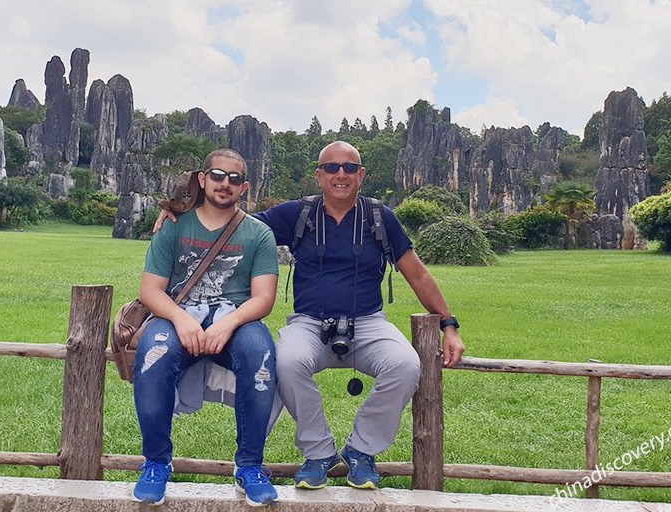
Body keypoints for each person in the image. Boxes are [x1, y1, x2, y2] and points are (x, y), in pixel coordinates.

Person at [156, 140, 464, 491]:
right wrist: (179, 213)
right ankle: (318, 452)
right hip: (309, 322)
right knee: (286, 362)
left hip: (367, 321)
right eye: (331, 168)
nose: (341, 175)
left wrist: (448, 324)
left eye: (349, 168)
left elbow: (418, 274)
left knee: (405, 365)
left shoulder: (380, 217)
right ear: (319, 175)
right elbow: (230, 225)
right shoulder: (297, 214)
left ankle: (361, 450)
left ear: (361, 175)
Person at [134, 148, 280, 507]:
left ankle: (249, 466)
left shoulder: (258, 234)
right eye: (217, 175)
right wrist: (182, 319)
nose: (224, 184)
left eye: (234, 179)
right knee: (153, 355)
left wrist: (227, 323)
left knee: (260, 355)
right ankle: (155, 462)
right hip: (177, 313)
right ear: (202, 179)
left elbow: (263, 298)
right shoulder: (173, 226)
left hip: (234, 316)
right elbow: (150, 289)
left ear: (244, 187)